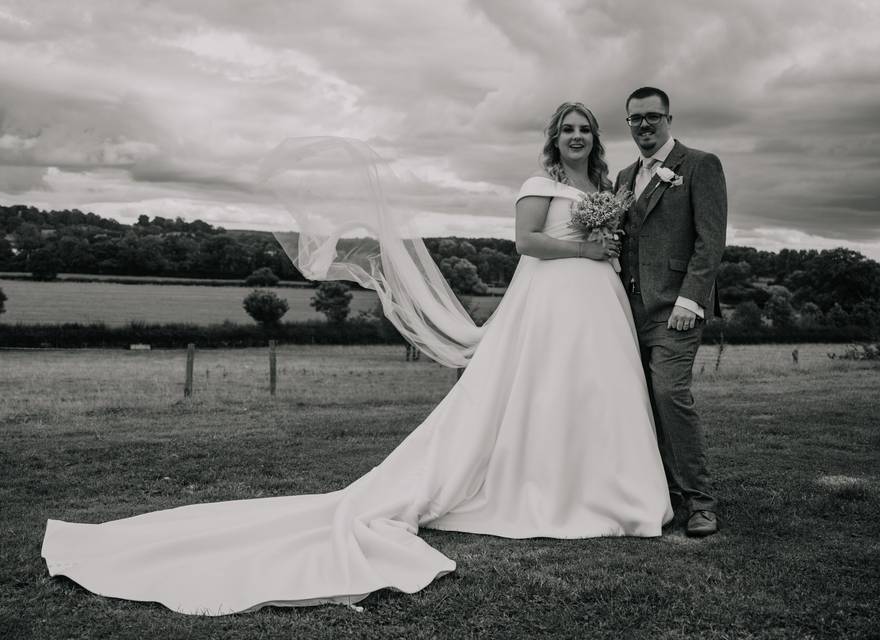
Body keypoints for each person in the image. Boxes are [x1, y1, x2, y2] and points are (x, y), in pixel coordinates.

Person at [40, 102, 672, 616]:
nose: (577, 137)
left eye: (585, 130)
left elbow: (611, 236)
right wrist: (585, 253)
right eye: (567, 129)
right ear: (553, 139)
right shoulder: (539, 185)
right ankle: (541, 488)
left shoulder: (605, 185)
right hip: (554, 296)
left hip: (599, 298)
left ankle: (603, 488)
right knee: (544, 388)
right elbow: (527, 241)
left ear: (596, 139)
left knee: (595, 391)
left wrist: (604, 249)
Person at [615, 87, 727, 537]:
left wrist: (691, 298)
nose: (644, 125)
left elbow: (710, 240)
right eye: (635, 118)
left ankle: (701, 501)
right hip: (626, 310)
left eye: (652, 117)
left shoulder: (700, 164)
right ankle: (665, 491)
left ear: (668, 118)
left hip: (676, 309)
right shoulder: (623, 176)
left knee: (669, 394)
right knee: (639, 400)